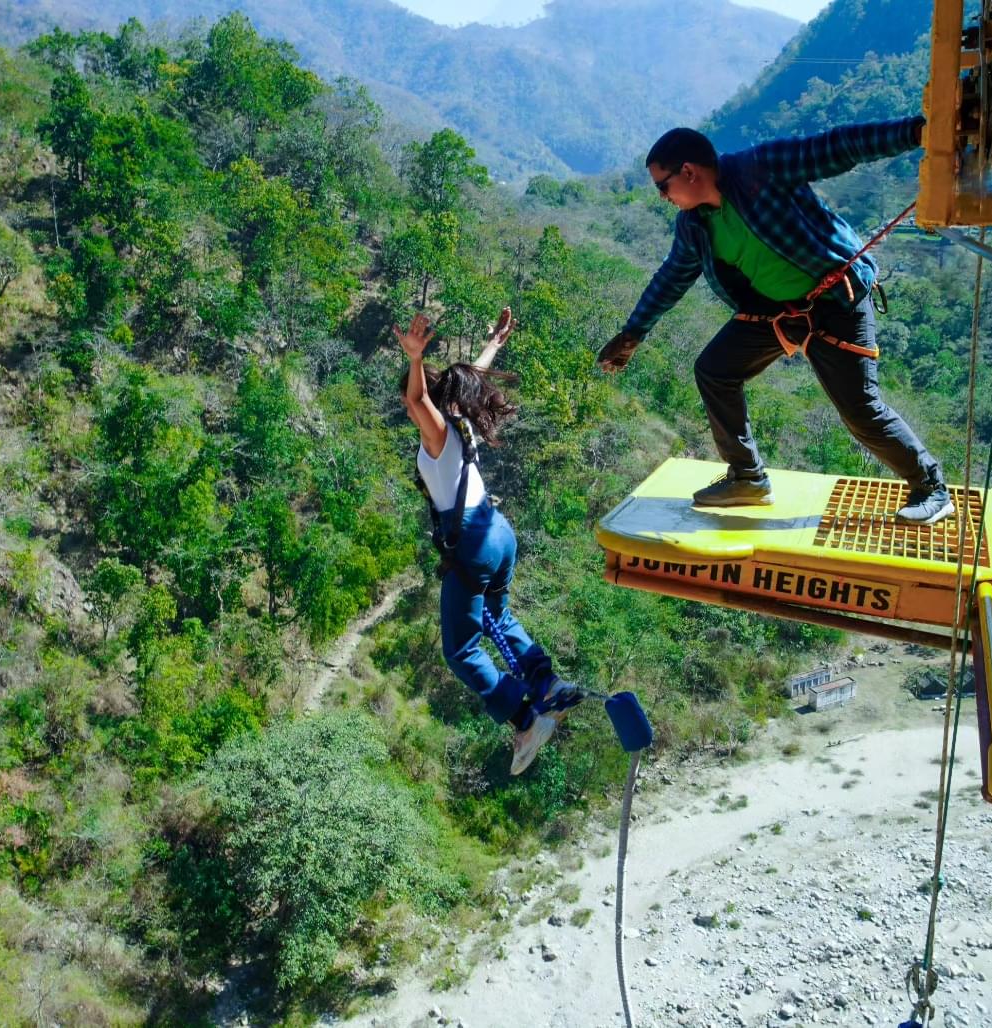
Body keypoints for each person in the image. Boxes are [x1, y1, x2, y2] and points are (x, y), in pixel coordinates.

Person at [597, 118, 954, 525]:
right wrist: (632, 335)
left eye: (663, 185)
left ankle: (931, 488)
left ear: (689, 172)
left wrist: (917, 133)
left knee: (861, 410)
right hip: (777, 313)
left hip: (836, 302)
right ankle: (747, 478)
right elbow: (671, 278)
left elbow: (837, 147)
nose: (662, 196)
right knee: (715, 370)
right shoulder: (694, 224)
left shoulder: (760, 169)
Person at [396, 308, 583, 775]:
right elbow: (471, 377)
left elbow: (419, 401)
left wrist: (415, 360)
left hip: (475, 543)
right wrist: (495, 342)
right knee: (498, 614)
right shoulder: (461, 422)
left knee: (461, 650)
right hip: (499, 531)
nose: (410, 406)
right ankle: (547, 684)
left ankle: (525, 719)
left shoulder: (438, 433)